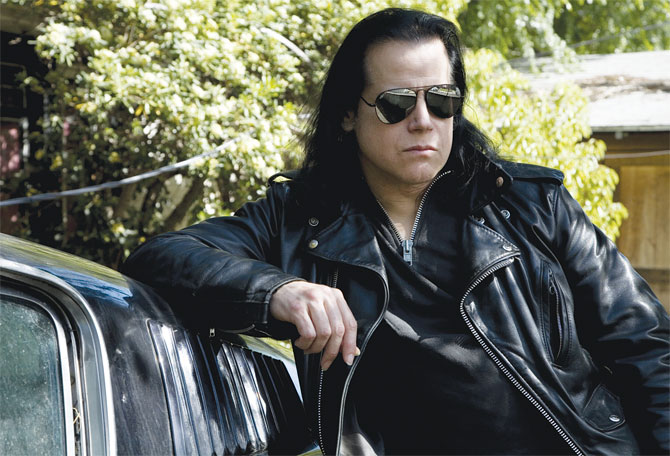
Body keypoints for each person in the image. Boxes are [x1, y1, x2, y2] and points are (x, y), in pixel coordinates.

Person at [122, 8, 669, 455]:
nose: (423, 120)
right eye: (397, 103)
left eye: (442, 100)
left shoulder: (530, 204)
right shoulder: (299, 219)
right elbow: (164, 256)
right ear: (347, 114)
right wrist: (279, 291)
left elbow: (646, 345)